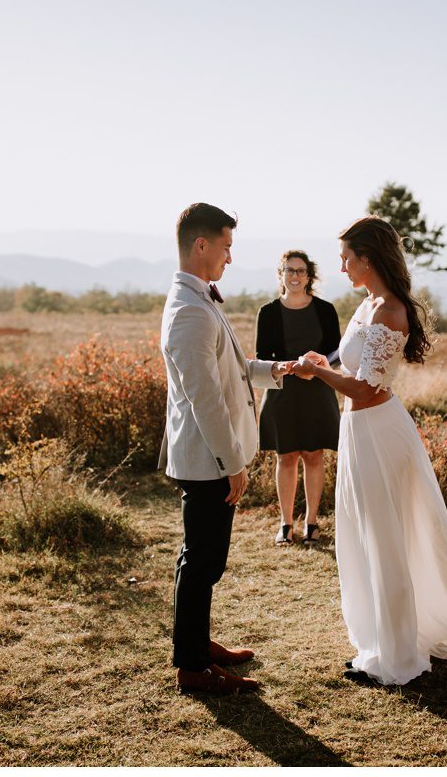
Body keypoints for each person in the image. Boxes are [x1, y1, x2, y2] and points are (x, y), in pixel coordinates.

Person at [294, 217, 447, 686]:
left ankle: (397, 658)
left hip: (378, 431)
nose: (342, 267)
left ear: (368, 259)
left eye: (347, 258)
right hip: (357, 430)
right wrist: (318, 364)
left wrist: (320, 375)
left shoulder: (390, 312)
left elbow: (366, 389)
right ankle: (378, 639)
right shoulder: (366, 304)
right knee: (364, 536)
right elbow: (350, 365)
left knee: (386, 539)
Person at [158, 203, 308, 696]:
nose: (229, 257)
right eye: (225, 246)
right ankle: (193, 668)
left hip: (210, 458)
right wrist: (232, 464)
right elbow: (205, 399)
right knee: (201, 561)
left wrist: (277, 370)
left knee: (204, 560)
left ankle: (199, 645)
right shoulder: (187, 311)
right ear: (201, 245)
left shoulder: (201, 302)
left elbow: (229, 366)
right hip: (206, 459)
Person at [255, 250, 341, 546]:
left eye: (300, 271)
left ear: (309, 276)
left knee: (314, 455)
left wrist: (315, 368)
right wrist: (290, 369)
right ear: (281, 274)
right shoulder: (267, 312)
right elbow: (262, 357)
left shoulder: (326, 310)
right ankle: (285, 523)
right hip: (282, 392)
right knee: (286, 456)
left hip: (318, 389)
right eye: (289, 270)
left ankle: (312, 522)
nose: (295, 276)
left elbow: (336, 353)